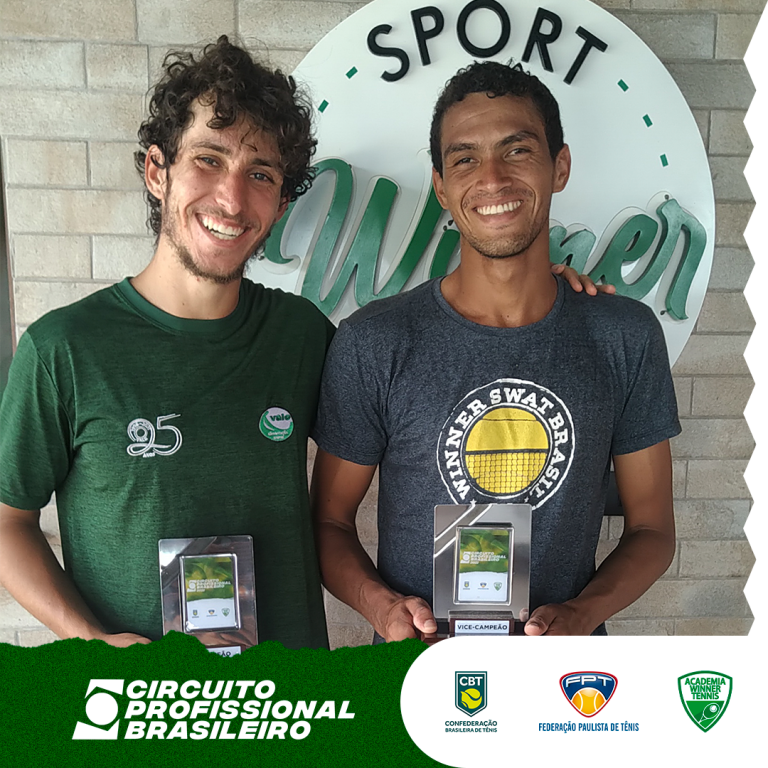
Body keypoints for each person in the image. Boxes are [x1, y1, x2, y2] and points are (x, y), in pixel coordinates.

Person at [311, 61, 680, 641]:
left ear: (560, 166)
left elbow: (653, 530)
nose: (492, 178)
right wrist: (381, 608)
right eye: (464, 159)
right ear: (441, 186)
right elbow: (329, 522)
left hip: (563, 679)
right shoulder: (373, 341)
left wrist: (583, 614)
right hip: (416, 669)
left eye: (517, 150)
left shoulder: (624, 336)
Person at [0, 36, 333, 649]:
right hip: (144, 698)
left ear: (282, 204)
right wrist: (94, 640)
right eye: (209, 159)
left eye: (260, 174)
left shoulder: (304, 336)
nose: (232, 199)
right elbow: (6, 523)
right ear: (158, 172)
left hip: (290, 694)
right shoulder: (61, 350)